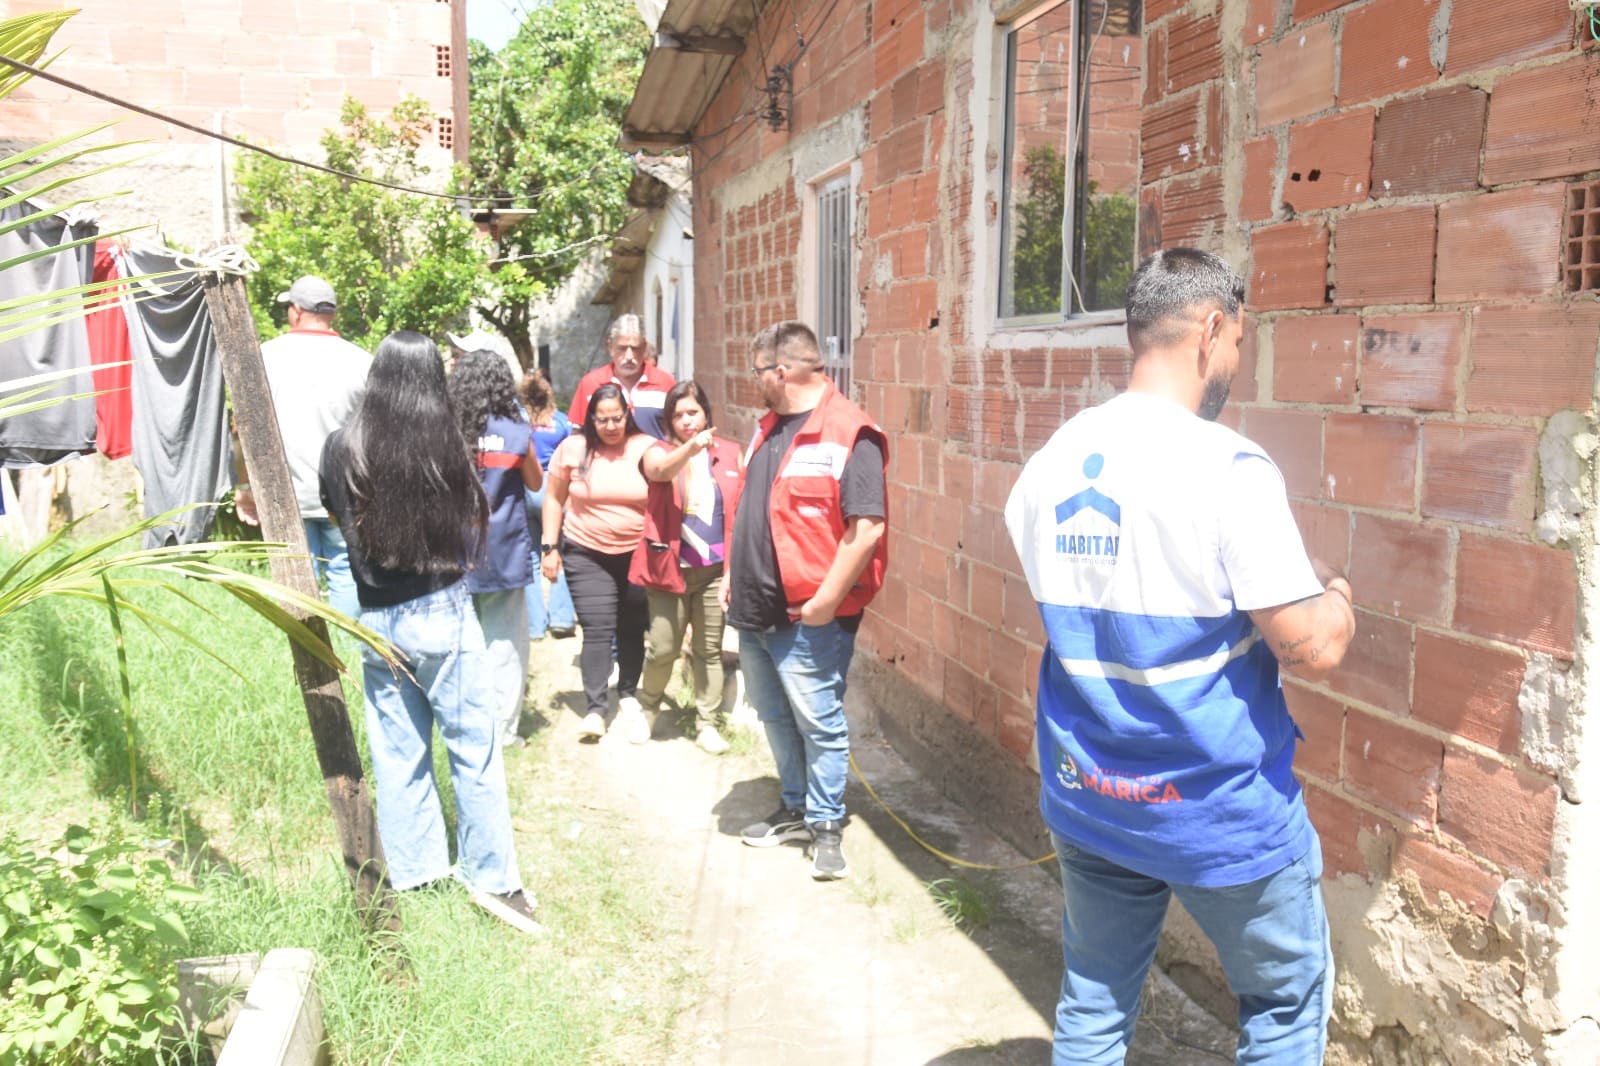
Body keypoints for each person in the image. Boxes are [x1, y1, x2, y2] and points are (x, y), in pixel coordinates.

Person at [1003, 248, 1357, 1065]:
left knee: (1094, 1000)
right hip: (1215, 813)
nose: (1235, 360)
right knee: (1281, 1003)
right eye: (1237, 340)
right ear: (1210, 328)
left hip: (1090, 794)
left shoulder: (1048, 464)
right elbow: (1310, 646)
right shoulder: (1224, 465)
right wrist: (1337, 592)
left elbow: (1079, 626)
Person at [318, 331, 537, 934]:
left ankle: (417, 874)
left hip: (375, 618)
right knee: (475, 751)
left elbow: (336, 517)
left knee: (399, 755)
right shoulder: (445, 443)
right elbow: (469, 520)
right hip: (440, 608)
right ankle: (494, 882)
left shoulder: (341, 447)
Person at [727, 322, 888, 881]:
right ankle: (794, 807)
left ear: (782, 372)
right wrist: (732, 574)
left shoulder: (850, 433)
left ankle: (825, 824)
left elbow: (866, 530)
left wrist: (823, 603)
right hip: (755, 607)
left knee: (819, 724)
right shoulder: (768, 426)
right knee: (773, 714)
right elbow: (752, 504)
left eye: (757, 371)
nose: (754, 382)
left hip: (807, 616)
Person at [236, 275, 369, 618]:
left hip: (284, 496)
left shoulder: (263, 357)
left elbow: (244, 428)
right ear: (333, 314)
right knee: (346, 574)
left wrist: (244, 487)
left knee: (295, 582)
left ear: (295, 311)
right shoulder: (361, 361)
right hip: (345, 496)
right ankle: (347, 647)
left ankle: (306, 651)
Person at [632, 381, 744, 753]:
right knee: (663, 647)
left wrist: (732, 571)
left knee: (709, 648)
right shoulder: (657, 451)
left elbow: (738, 511)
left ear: (706, 413)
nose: (685, 421)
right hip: (670, 569)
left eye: (692, 412)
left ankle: (707, 723)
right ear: (668, 421)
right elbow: (661, 472)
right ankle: (647, 708)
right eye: (677, 415)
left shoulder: (729, 454)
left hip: (713, 570)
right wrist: (691, 448)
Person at [541, 383, 653, 741]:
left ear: (627, 415)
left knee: (632, 626)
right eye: (602, 419)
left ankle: (630, 693)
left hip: (636, 553)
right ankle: (595, 709)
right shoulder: (573, 449)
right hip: (586, 551)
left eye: (616, 418)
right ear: (591, 419)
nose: (610, 426)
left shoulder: (645, 448)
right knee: (598, 627)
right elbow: (554, 500)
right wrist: (549, 547)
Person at [447, 349, 543, 749]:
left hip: (452, 550)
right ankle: (503, 730)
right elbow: (536, 483)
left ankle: (461, 720)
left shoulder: (446, 431)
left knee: (458, 641)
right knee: (503, 644)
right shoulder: (517, 433)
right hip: (502, 550)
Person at [520, 368, 576, 640]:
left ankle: (534, 625)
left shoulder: (519, 421)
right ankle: (562, 618)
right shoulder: (561, 421)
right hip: (555, 490)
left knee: (530, 554)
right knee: (557, 550)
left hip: (526, 487)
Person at [568, 313, 676, 441]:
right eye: (622, 348)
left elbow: (677, 432)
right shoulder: (591, 383)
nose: (629, 356)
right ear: (610, 347)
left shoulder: (665, 383)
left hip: (657, 460)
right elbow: (577, 435)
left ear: (644, 348)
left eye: (635, 348)